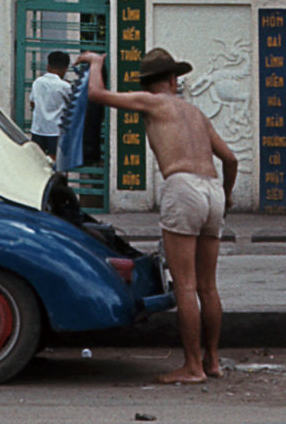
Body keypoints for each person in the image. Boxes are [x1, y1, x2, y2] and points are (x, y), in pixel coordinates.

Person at [82, 45, 238, 384]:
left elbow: (96, 93)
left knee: (185, 285)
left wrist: (96, 63)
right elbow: (230, 159)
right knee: (208, 287)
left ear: (150, 82)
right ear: (172, 78)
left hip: (183, 187)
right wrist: (225, 197)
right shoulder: (195, 113)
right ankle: (212, 361)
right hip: (212, 189)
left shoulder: (151, 101)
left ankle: (193, 367)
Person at [28, 51, 75, 159]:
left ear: (48, 67)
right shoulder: (64, 86)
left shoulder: (37, 82)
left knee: (37, 161)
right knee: (58, 162)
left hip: (38, 129)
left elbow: (32, 103)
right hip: (57, 131)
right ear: (65, 69)